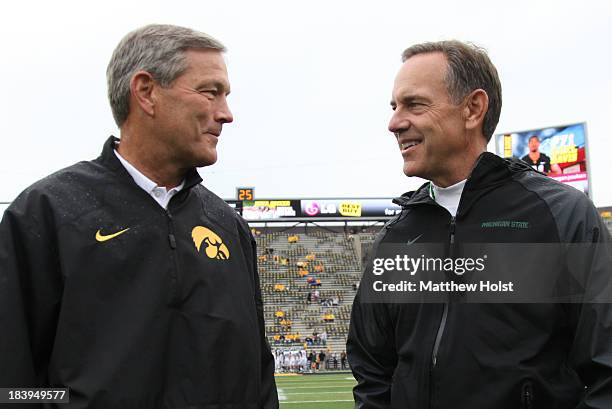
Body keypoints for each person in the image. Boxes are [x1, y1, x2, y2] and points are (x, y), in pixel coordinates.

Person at [0, 24, 278, 408]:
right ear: (146, 92)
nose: (226, 114)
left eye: (225, 96)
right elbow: (12, 385)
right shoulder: (46, 212)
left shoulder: (227, 225)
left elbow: (258, 379)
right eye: (210, 92)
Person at [347, 40, 612, 408]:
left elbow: (606, 372)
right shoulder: (397, 237)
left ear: (472, 109)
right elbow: (372, 372)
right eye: (394, 107)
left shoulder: (561, 216)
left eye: (414, 104)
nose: (394, 123)